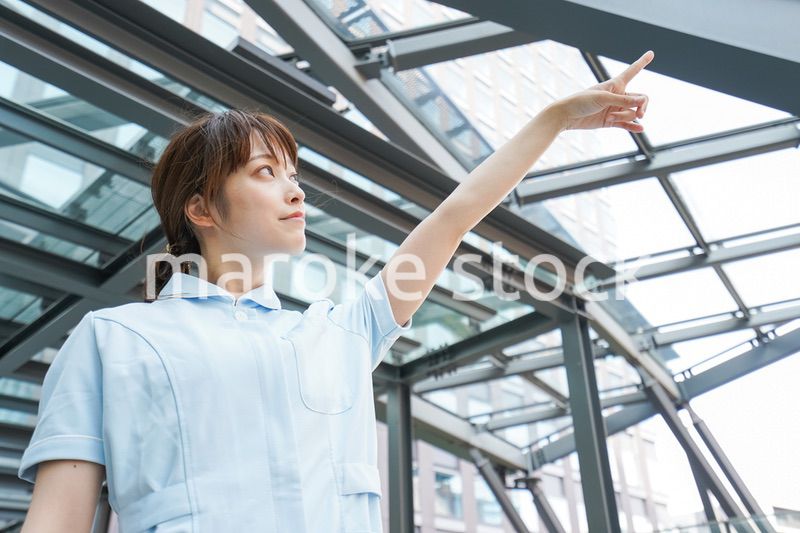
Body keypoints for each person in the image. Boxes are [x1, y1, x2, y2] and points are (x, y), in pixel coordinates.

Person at [17, 51, 654, 532]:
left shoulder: (338, 334)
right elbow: (58, 523)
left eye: (293, 175)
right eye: (266, 174)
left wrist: (553, 120)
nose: (296, 191)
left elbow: (455, 216)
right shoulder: (112, 341)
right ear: (201, 210)